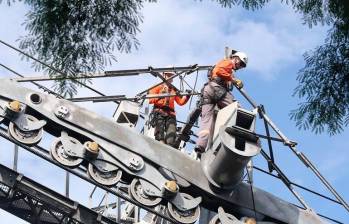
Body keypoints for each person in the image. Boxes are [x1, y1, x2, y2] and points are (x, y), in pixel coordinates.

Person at [194, 51, 248, 158]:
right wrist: (233, 80)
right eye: (240, 63)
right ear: (236, 59)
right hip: (217, 89)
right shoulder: (228, 62)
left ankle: (200, 146)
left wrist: (231, 79)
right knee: (237, 109)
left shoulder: (225, 65)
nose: (240, 66)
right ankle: (241, 136)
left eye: (242, 65)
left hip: (208, 90)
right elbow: (218, 71)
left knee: (206, 121)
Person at [148, 71, 190, 147]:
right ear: (164, 75)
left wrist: (187, 96)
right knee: (159, 135)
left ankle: (169, 147)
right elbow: (150, 100)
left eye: (172, 76)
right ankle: (160, 144)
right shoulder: (157, 87)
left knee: (171, 136)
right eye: (169, 75)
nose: (171, 77)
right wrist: (160, 95)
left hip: (171, 114)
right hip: (159, 112)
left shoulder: (173, 90)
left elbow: (180, 102)